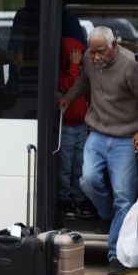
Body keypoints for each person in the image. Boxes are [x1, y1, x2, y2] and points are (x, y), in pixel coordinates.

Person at [59, 26, 138, 275]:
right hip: (98, 132)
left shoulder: (129, 65)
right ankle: (108, 213)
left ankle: (116, 255)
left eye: (100, 51)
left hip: (125, 136)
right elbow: (84, 80)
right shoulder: (89, 59)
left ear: (114, 45)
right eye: (91, 52)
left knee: (124, 196)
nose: (94, 57)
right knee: (88, 180)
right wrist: (69, 97)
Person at [56, 35, 92, 220]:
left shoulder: (80, 72)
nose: (79, 56)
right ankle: (65, 199)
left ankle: (79, 199)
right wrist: (73, 66)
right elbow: (70, 89)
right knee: (65, 168)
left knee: (80, 166)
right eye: (75, 53)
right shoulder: (63, 75)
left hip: (81, 126)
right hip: (68, 128)